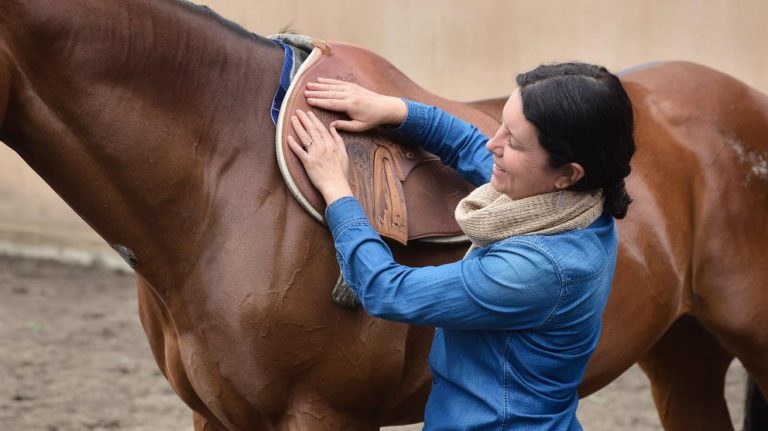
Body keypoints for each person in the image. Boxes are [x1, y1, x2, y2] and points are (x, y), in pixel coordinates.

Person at [286, 62, 635, 430]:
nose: (493, 143)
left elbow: (386, 289)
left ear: (568, 173)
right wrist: (395, 110)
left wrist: (336, 189)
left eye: (513, 143)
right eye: (502, 126)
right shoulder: (577, 204)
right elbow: (470, 145)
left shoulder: (536, 270)